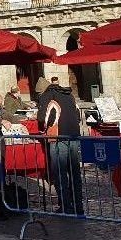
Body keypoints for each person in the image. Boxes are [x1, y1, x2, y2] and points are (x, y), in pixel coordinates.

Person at [37, 77, 84, 215]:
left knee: (60, 172)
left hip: (58, 138)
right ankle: (78, 205)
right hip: (73, 136)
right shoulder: (69, 95)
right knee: (74, 172)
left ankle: (65, 206)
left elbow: (43, 118)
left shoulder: (47, 96)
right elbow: (78, 114)